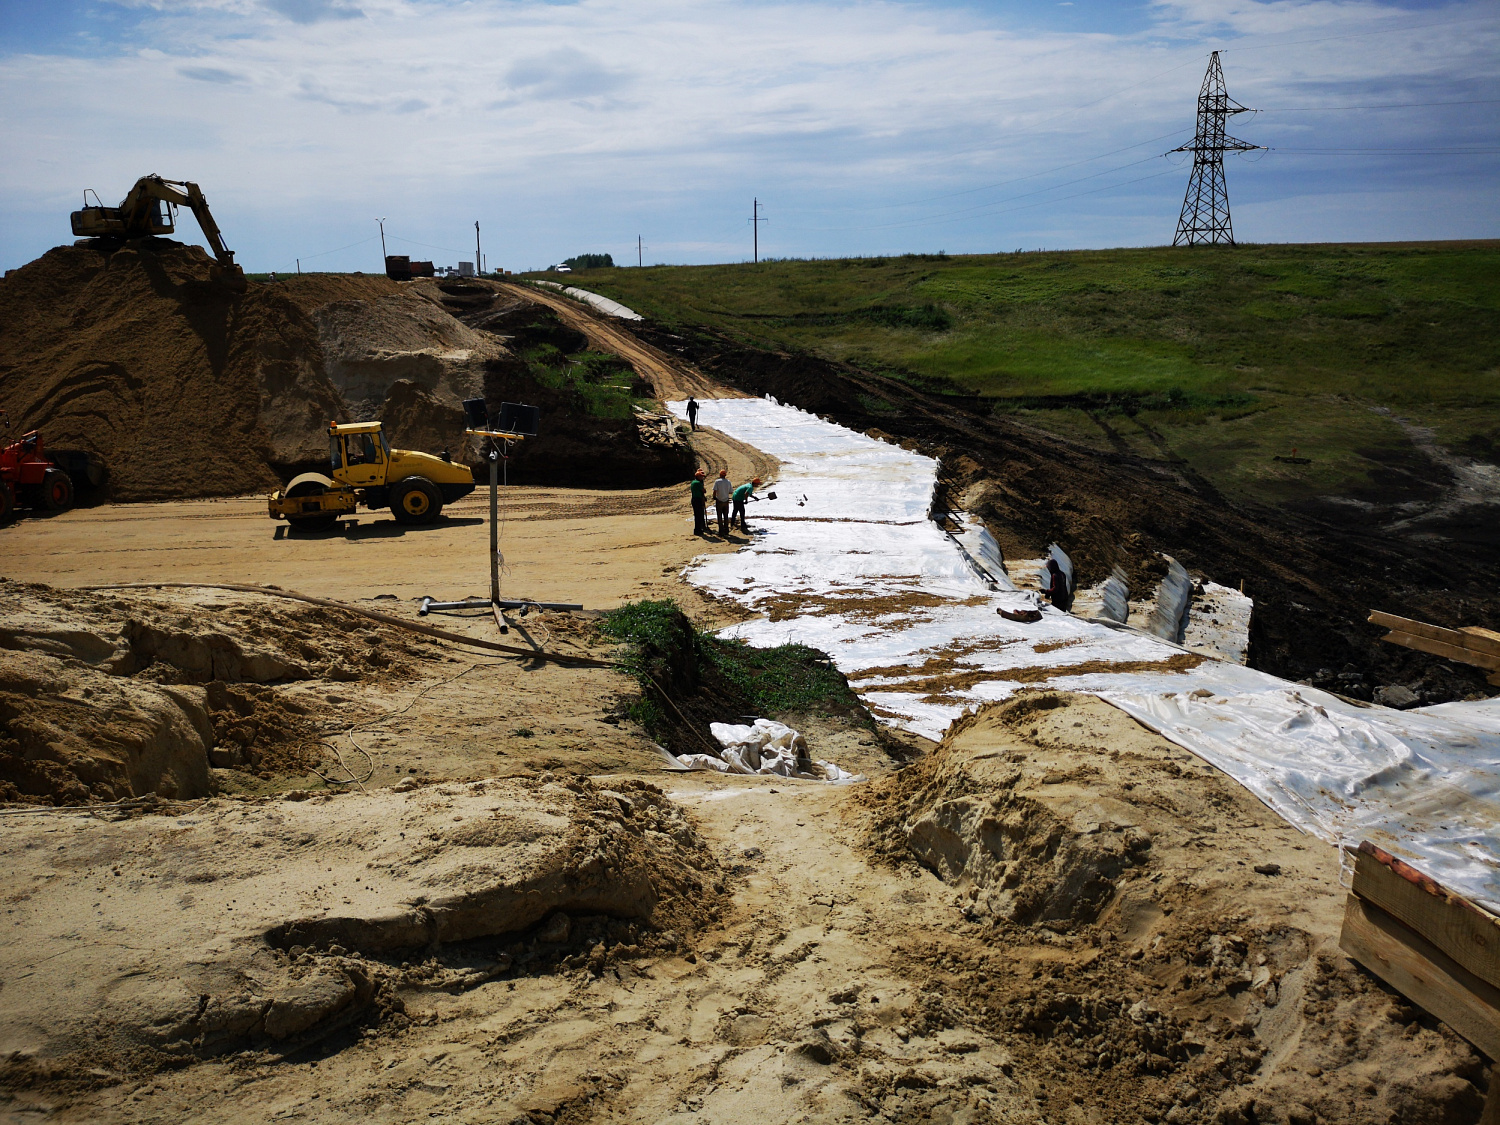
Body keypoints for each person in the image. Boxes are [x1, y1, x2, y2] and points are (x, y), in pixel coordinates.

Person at [712, 469, 733, 536]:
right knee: (726, 516)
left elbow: (715, 491)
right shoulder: (728, 482)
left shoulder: (717, 482)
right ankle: (726, 530)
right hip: (726, 500)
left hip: (719, 500)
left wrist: (714, 497)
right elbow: (731, 491)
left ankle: (721, 531)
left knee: (719, 516)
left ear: (720, 475)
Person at [689, 468, 707, 536]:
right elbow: (703, 490)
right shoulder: (698, 483)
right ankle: (698, 529)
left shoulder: (693, 482)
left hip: (694, 499)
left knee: (697, 515)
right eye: (701, 476)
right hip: (698, 500)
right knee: (699, 515)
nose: (702, 478)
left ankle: (699, 528)